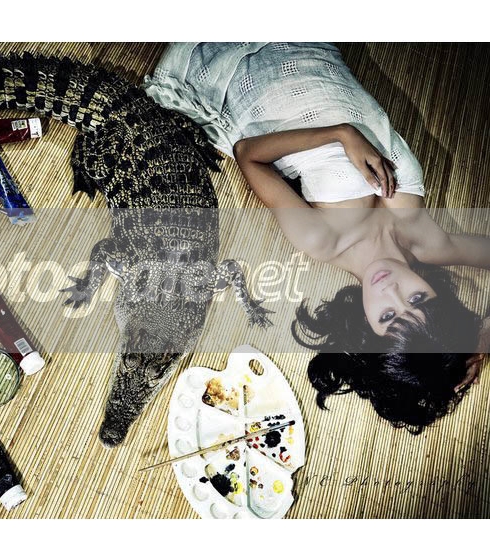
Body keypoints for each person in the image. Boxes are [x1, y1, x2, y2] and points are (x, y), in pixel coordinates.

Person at [144, 42, 489, 433]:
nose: (391, 290)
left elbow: (247, 153)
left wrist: (340, 135)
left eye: (387, 316)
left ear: (368, 326)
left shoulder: (322, 240)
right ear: (437, 295)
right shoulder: (428, 242)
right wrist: (479, 339)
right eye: (416, 300)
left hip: (238, 62)